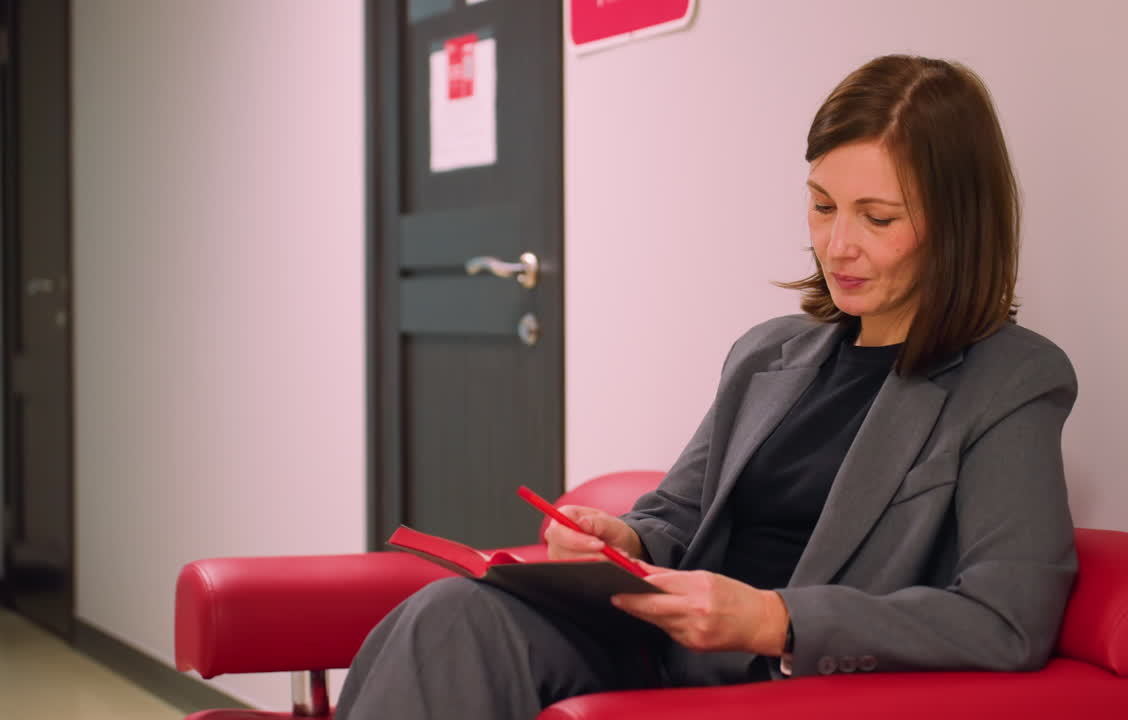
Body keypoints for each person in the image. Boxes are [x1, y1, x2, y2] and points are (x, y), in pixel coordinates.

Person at [336, 54, 1077, 719]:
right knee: (451, 616)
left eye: (877, 218)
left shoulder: (1011, 381)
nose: (838, 245)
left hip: (786, 684)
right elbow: (676, 516)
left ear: (956, 225)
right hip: (662, 648)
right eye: (822, 206)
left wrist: (775, 619)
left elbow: (1005, 618)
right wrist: (622, 539)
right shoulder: (769, 354)